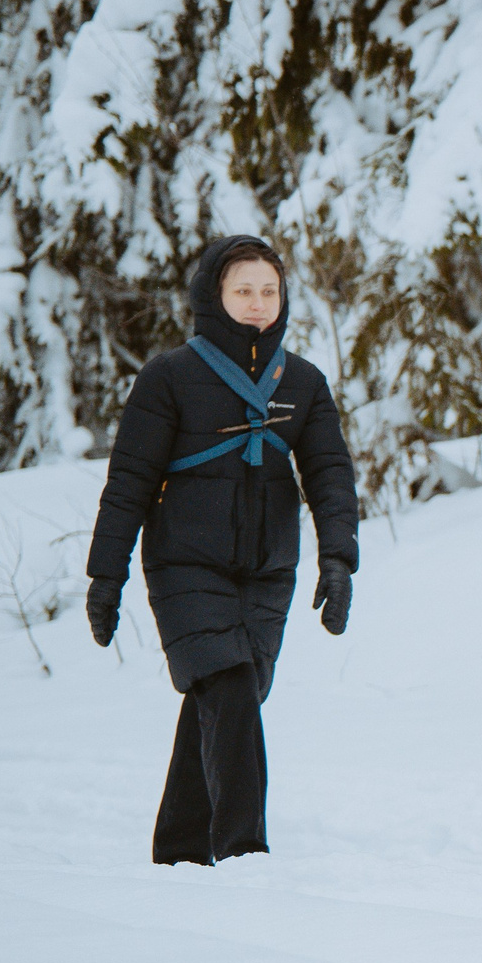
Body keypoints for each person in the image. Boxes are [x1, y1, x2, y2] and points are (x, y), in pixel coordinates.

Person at [83, 235, 359, 865]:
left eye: (270, 291)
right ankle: (243, 853)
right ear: (215, 296)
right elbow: (127, 481)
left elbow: (330, 475)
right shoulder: (170, 376)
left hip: (267, 570)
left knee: (226, 694)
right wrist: (106, 576)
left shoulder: (305, 382)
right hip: (184, 561)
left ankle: (179, 851)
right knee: (229, 685)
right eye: (243, 291)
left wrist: (338, 560)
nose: (258, 304)